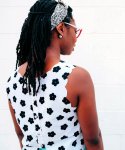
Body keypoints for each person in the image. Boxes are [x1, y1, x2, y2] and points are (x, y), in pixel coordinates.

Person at [5, 0, 104, 150]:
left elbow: (21, 136)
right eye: (75, 30)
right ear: (61, 28)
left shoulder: (12, 81)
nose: (76, 37)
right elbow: (93, 139)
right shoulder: (76, 77)